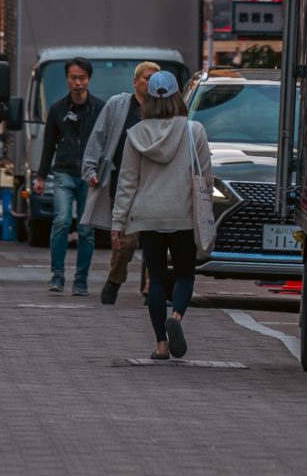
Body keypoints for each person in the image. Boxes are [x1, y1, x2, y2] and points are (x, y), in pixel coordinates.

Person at [110, 70, 215, 363]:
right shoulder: (194, 131)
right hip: (183, 213)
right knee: (184, 274)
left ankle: (161, 345)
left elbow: (127, 181)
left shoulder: (136, 134)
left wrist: (118, 223)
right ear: (177, 96)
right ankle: (177, 317)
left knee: (155, 279)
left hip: (148, 215)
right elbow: (205, 178)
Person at [82, 60, 158, 304]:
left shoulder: (164, 109)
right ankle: (115, 279)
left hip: (155, 183)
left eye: (155, 79)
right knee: (125, 241)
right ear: (135, 81)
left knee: (154, 239)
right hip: (123, 181)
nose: (150, 83)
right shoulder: (117, 105)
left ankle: (151, 286)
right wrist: (91, 169)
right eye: (147, 78)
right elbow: (99, 136)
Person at [38, 56, 101, 296]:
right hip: (63, 172)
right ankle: (57, 275)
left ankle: (81, 279)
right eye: (74, 78)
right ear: (67, 79)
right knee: (61, 221)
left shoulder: (100, 109)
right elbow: (48, 145)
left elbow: (105, 142)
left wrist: (102, 172)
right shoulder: (57, 109)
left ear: (89, 79)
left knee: (86, 229)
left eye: (82, 78)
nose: (78, 83)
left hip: (89, 174)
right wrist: (41, 176)